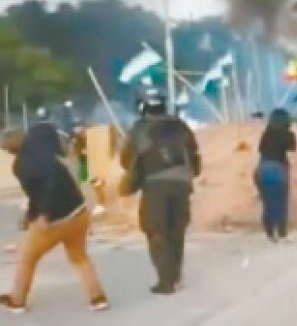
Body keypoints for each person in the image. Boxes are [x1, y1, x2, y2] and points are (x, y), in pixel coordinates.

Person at [0, 118, 109, 313]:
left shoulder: (21, 165)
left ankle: (17, 300)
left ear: (10, 149)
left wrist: (39, 214)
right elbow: (47, 128)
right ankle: (98, 298)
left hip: (54, 221)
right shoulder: (42, 145)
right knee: (80, 257)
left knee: (28, 257)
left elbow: (39, 192)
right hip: (79, 212)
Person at [121, 87, 201, 295]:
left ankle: (166, 282)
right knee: (177, 230)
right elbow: (194, 153)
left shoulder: (139, 128)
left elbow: (126, 158)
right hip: (183, 184)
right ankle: (175, 276)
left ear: (143, 106)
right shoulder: (181, 126)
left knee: (156, 231)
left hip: (155, 185)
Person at [255, 108, 296, 242]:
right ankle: (282, 232)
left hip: (262, 168)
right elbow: (292, 150)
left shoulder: (267, 133)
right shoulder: (288, 134)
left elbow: (260, 149)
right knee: (281, 202)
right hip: (278, 168)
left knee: (268, 201)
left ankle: (269, 231)